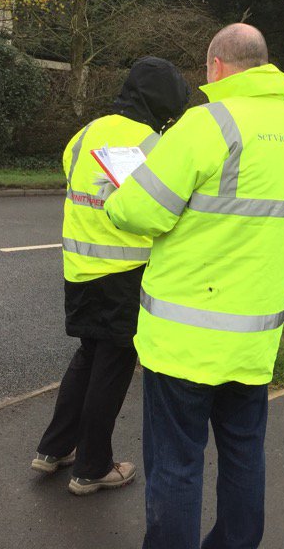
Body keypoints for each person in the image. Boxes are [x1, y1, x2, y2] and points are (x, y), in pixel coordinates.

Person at [104, 23, 284, 549]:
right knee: (244, 454)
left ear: (215, 67)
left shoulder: (204, 126)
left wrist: (122, 198)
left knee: (177, 466)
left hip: (182, 340)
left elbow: (137, 212)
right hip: (254, 337)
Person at [31, 56, 190, 496]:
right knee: (113, 366)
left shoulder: (86, 134)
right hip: (125, 271)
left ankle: (54, 449)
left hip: (79, 268)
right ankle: (92, 467)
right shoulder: (154, 145)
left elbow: (72, 179)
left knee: (88, 355)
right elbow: (164, 210)